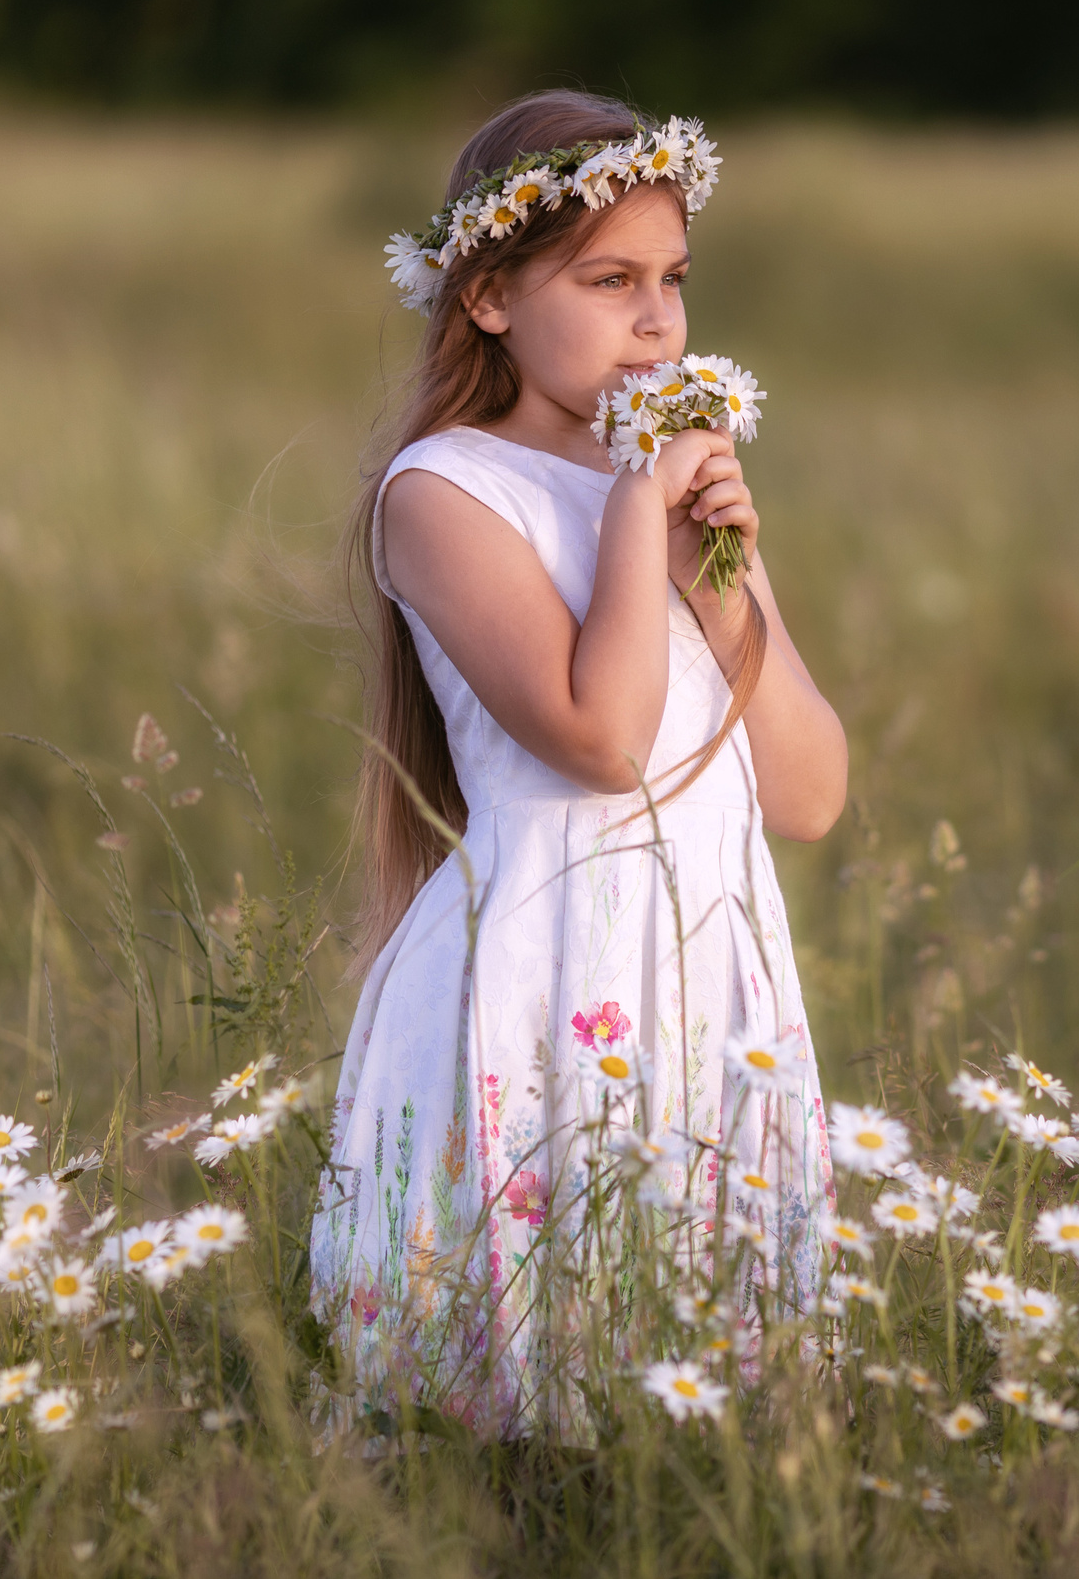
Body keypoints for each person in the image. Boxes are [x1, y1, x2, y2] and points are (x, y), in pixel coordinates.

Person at [310, 90, 848, 1440]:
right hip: (549, 979)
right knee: (523, 1392)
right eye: (608, 280)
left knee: (702, 1400)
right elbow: (601, 738)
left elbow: (811, 790)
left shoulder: (673, 483)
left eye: (672, 280)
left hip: (704, 968)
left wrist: (720, 582)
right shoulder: (443, 492)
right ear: (488, 294)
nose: (657, 320)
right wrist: (634, 513)